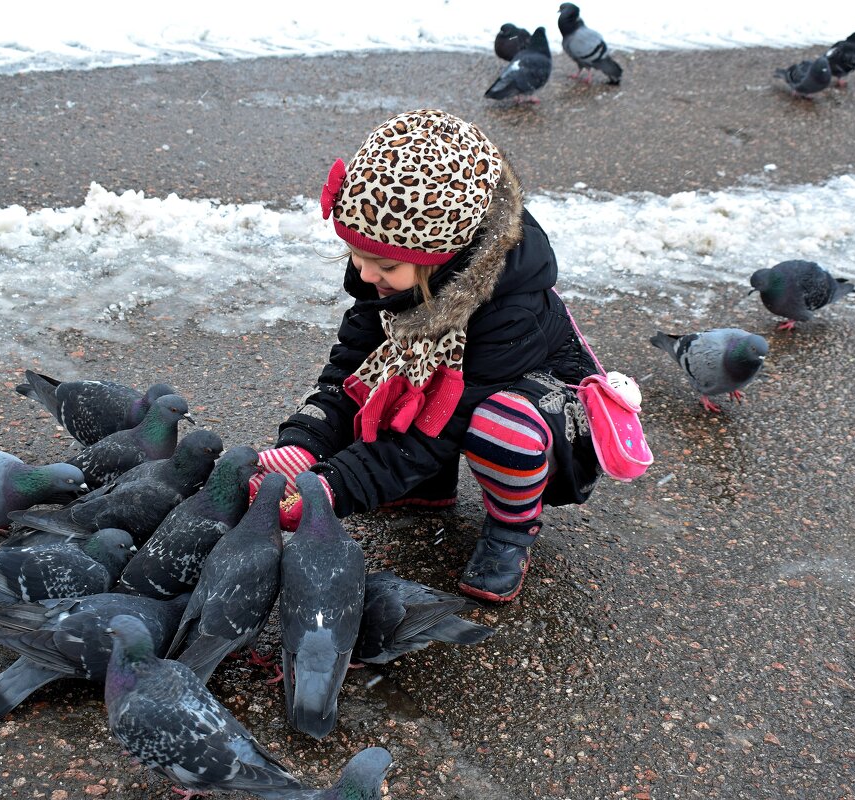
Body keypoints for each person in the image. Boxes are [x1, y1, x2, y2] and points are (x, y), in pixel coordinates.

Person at [251, 109, 601, 602]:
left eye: (384, 265)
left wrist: (330, 489)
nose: (365, 274)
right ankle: (426, 489)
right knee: (393, 374)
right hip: (454, 395)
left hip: (540, 401)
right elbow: (352, 366)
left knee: (499, 427)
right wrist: (305, 443)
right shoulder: (388, 273)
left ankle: (512, 527)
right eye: (355, 255)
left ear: (442, 254)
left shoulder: (509, 311)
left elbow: (440, 427)